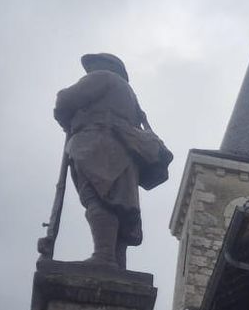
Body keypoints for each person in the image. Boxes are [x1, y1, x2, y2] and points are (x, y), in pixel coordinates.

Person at [51, 52, 171, 269]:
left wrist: (67, 120)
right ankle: (116, 261)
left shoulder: (103, 77)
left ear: (106, 65)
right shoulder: (130, 96)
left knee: (97, 198)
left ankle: (104, 257)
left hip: (96, 144)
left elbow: (65, 101)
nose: (91, 70)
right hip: (122, 152)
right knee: (117, 203)